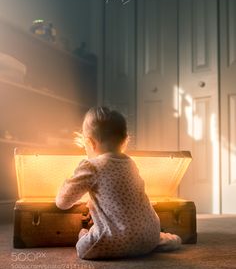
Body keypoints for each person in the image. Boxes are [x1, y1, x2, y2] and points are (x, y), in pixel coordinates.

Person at [56, 107, 181, 259]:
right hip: (149, 235)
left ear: (89, 143)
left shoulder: (92, 166)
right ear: (125, 140)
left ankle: (89, 236)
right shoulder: (130, 163)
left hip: (115, 239)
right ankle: (166, 240)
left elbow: (62, 202)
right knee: (142, 236)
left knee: (83, 248)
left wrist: (66, 181)